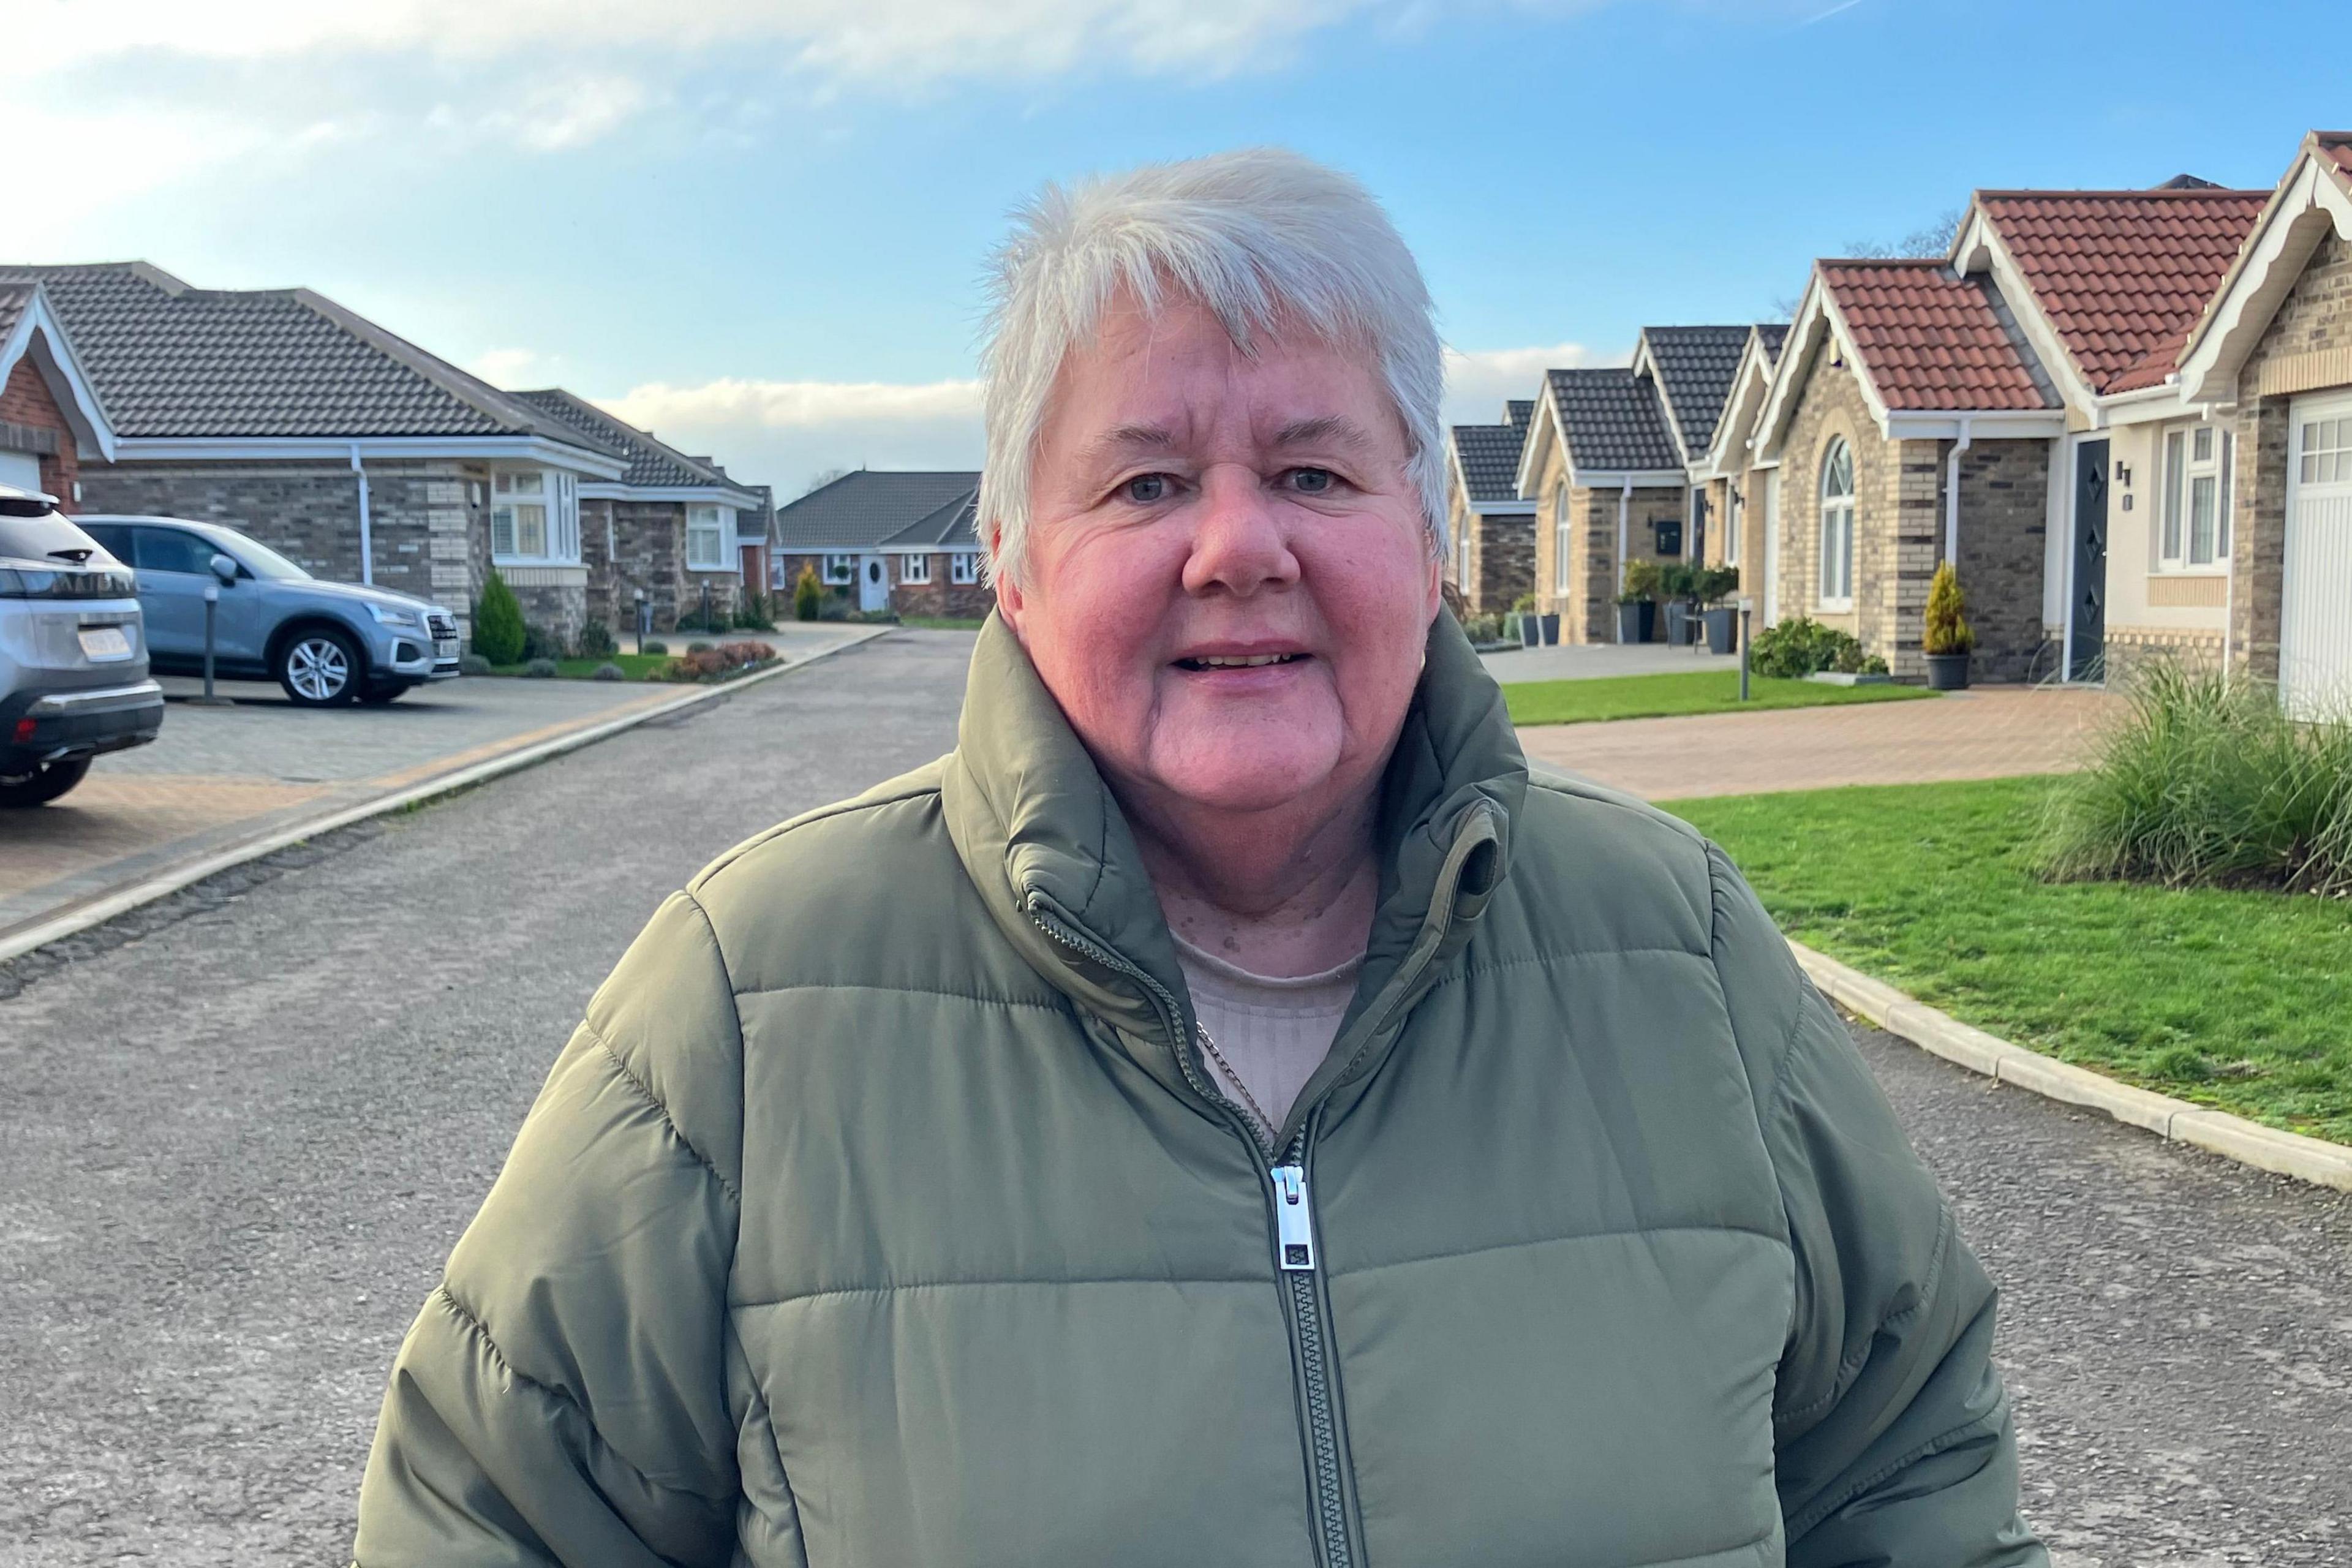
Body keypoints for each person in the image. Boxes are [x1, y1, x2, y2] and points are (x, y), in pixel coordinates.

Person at [355, 149, 2044, 1567]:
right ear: (1014, 562)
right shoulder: (746, 1005)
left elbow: (1913, 1469)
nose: (1238, 546)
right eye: (1148, 481)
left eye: (1312, 468)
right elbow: (483, 1515)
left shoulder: (1682, 953)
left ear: (1430, 538)